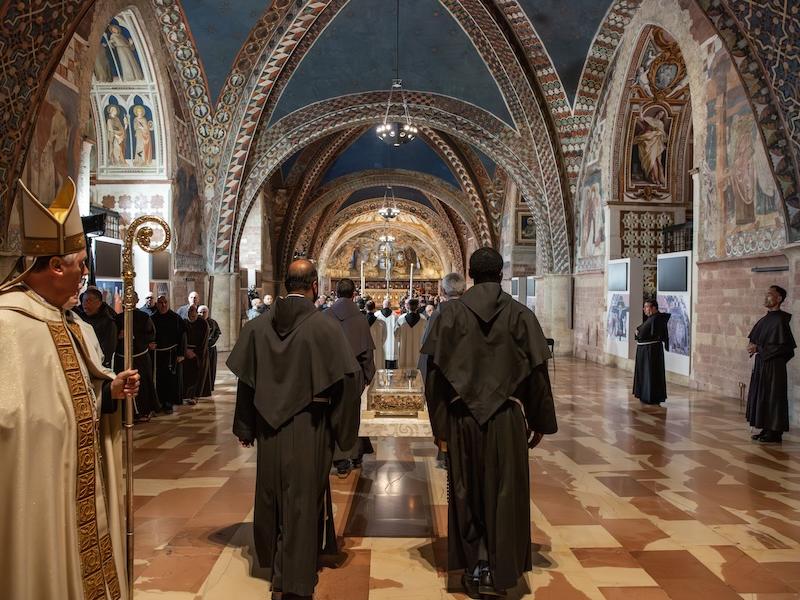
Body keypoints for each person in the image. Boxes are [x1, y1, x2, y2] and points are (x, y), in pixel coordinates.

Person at [0, 177, 139, 600]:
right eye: (80, 263)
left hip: (77, 477)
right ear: (56, 266)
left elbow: (75, 394)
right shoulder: (8, 325)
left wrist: (109, 392)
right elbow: (15, 418)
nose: (86, 273)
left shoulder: (73, 322)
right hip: (38, 482)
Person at [420, 247, 557, 597]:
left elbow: (434, 377)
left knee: (466, 491)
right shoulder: (521, 314)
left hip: (462, 419)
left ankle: (475, 566)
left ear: (470, 274)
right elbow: (537, 373)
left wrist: (440, 429)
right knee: (506, 492)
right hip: (507, 419)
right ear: (501, 274)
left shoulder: (449, 315)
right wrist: (539, 420)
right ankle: (500, 570)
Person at [227, 259, 362, 599]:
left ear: (287, 284)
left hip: (268, 427)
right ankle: (296, 582)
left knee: (271, 495)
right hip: (309, 426)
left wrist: (245, 426)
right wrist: (342, 434)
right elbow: (347, 382)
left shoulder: (257, 327)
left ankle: (276, 570)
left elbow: (247, 381)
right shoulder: (326, 327)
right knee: (302, 500)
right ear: (314, 285)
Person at [325, 278, 376, 478]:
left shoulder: (325, 315)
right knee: (352, 415)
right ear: (354, 294)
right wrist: (368, 376)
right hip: (353, 375)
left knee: (332, 414)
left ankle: (339, 460)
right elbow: (366, 352)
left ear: (336, 293)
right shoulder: (360, 318)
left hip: (329, 373)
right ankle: (354, 455)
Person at [746, 285, 796, 443]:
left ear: (779, 299)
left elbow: (783, 347)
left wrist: (758, 348)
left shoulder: (781, 320)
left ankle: (775, 432)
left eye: (769, 294)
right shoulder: (766, 319)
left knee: (774, 397)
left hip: (774, 366)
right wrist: (752, 346)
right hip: (763, 363)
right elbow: (757, 339)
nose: (765, 297)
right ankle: (766, 428)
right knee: (763, 395)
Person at [114, 291, 160, 421]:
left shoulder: (144, 317)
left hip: (140, 357)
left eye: (132, 298)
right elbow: (112, 336)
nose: (129, 301)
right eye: (126, 298)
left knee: (142, 384)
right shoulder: (117, 318)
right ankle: (124, 414)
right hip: (122, 357)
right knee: (124, 385)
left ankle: (143, 412)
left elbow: (150, 334)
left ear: (137, 300)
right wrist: (118, 336)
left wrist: (134, 336)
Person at [151, 295, 186, 413]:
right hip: (157, 355)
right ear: (157, 304)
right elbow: (148, 335)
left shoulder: (176, 318)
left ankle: (168, 402)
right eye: (161, 303)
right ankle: (158, 402)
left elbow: (182, 337)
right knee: (158, 379)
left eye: (165, 302)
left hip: (171, 354)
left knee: (170, 379)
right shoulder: (152, 318)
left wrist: (181, 353)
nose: (163, 305)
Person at [632, 299, 670, 405]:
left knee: (650, 374)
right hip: (647, 350)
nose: (644, 309)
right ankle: (645, 395)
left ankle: (650, 396)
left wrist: (638, 332)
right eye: (644, 307)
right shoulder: (652, 318)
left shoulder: (656, 319)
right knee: (646, 374)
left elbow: (642, 333)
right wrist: (638, 332)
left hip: (650, 352)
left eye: (646, 307)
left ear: (654, 308)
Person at [75, 285, 118, 368]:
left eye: (89, 300)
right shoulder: (78, 317)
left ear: (98, 303)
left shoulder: (108, 322)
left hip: (99, 364)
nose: (85, 304)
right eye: (83, 301)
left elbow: (109, 348)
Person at [182, 304, 209, 405]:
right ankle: (185, 396)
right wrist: (185, 350)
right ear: (188, 312)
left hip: (198, 354)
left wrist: (195, 353)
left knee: (196, 376)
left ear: (197, 312)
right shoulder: (184, 322)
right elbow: (181, 337)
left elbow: (204, 340)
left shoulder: (203, 323)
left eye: (194, 311)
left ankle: (194, 396)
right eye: (190, 311)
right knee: (186, 375)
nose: (192, 313)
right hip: (186, 353)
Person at [395, 297, 427, 370]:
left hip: (404, 349)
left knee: (404, 370)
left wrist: (401, 340)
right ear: (418, 307)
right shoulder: (423, 319)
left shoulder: (401, 319)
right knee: (417, 370)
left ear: (408, 306)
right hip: (417, 349)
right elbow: (425, 336)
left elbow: (396, 334)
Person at [198, 305, 221, 395]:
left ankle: (210, 386)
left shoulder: (213, 322)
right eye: (200, 312)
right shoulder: (197, 322)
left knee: (211, 368)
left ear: (207, 313)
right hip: (200, 350)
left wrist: (210, 343)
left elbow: (217, 334)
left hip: (211, 349)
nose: (202, 314)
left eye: (204, 312)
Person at [376, 298, 399, 368]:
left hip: (380, 342)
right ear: (390, 305)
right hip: (391, 345)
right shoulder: (395, 315)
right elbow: (397, 331)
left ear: (383, 305)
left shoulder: (376, 315)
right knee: (391, 367)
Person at [365, 300, 387, 371]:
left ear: (366, 308)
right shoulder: (381, 322)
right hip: (378, 348)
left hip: (366, 349)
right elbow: (384, 337)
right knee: (378, 368)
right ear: (374, 308)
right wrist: (379, 344)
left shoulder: (362, 322)